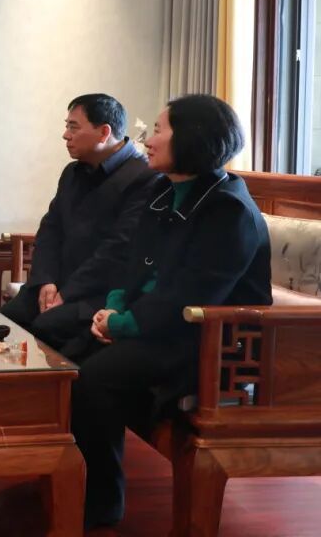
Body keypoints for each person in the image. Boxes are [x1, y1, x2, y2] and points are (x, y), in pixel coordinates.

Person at [73, 94, 272, 529]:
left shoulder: (228, 208)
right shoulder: (163, 189)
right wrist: (113, 308)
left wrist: (123, 324)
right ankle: (82, 483)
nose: (147, 139)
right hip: (163, 324)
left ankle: (104, 500)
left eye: (159, 130)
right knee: (70, 352)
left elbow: (193, 293)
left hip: (210, 341)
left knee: (96, 376)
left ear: (191, 138)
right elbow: (135, 265)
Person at [1, 94, 156, 353]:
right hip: (56, 284)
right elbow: (50, 230)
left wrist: (68, 293)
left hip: (101, 293)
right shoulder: (72, 172)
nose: (65, 135)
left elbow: (117, 250)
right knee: (4, 321)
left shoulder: (144, 178)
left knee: (46, 327)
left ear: (104, 132)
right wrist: (46, 280)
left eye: (73, 127)